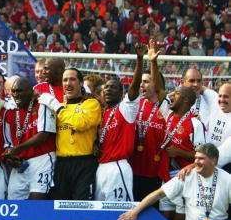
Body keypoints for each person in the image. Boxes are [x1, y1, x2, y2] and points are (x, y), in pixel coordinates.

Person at [42, 67, 101, 200]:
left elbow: (80, 123)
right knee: (60, 209)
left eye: (72, 79)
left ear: (80, 83)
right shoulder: (59, 107)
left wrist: (57, 108)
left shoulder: (91, 104)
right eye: (65, 80)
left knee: (82, 208)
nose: (68, 83)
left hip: (84, 164)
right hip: (61, 164)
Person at [94, 44, 142, 201]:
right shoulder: (102, 113)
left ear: (122, 93)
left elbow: (134, 88)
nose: (108, 90)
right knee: (100, 213)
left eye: (113, 88)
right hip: (101, 168)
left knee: (118, 213)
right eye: (106, 88)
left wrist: (140, 59)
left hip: (118, 167)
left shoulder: (126, 108)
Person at [158, 86, 206, 220]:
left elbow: (201, 156)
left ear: (185, 100)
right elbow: (160, 92)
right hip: (166, 175)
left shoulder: (195, 124)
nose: (172, 96)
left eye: (176, 94)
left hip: (184, 176)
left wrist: (179, 152)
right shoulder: (169, 116)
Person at [4, 77, 56, 199]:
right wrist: (11, 157)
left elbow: (43, 135)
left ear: (30, 91)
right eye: (14, 91)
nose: (16, 94)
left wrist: (18, 149)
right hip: (20, 164)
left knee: (36, 199)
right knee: (14, 201)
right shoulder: (9, 112)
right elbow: (8, 144)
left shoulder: (42, 105)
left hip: (42, 158)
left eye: (20, 91)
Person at [130, 41, 170, 200]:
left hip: (154, 171)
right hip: (133, 168)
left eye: (146, 81)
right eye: (141, 82)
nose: (142, 85)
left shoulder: (164, 105)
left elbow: (160, 91)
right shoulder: (135, 103)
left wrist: (153, 61)